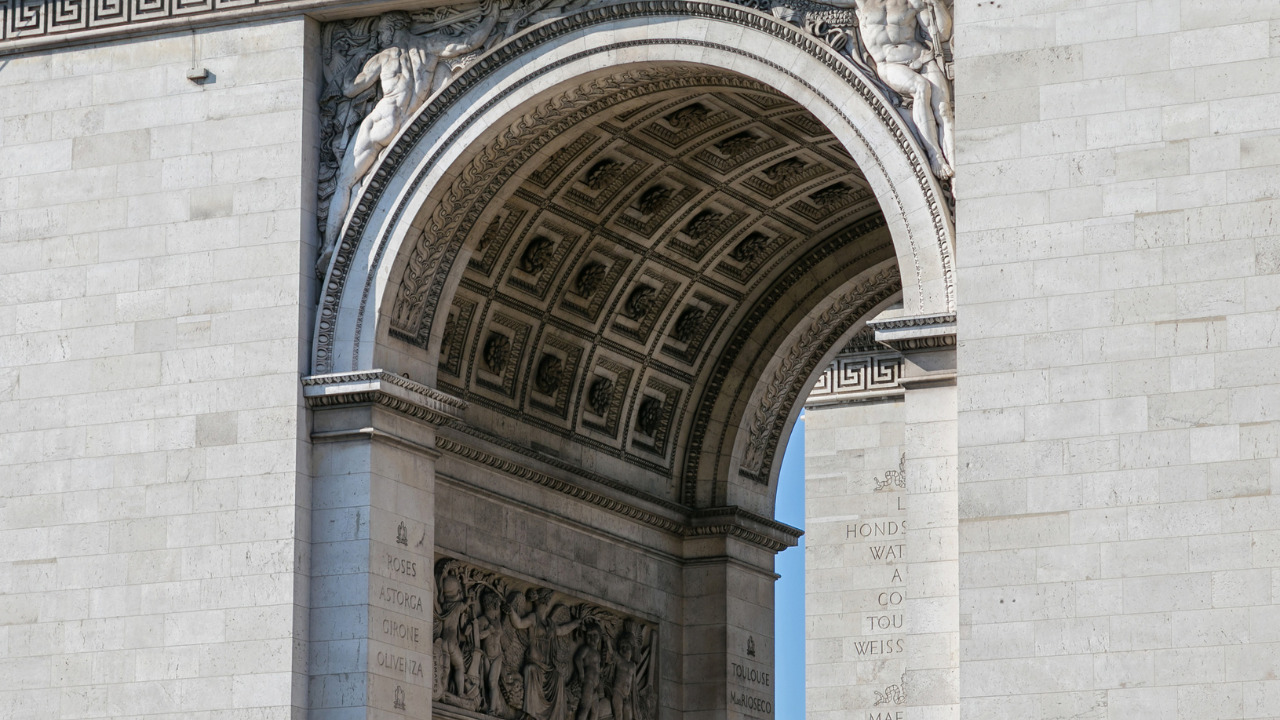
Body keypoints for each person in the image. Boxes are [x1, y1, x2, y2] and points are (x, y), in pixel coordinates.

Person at [320, 2, 500, 270]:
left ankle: (329, 246)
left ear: (391, 30)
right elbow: (468, 42)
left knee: (345, 182)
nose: (380, 38)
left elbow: (349, 89)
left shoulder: (383, 56)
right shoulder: (428, 47)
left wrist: (357, 61)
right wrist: (494, 15)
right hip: (408, 122)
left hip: (380, 122)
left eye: (381, 33)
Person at [827, 0, 954, 179]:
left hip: (923, 58)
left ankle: (957, 173)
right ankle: (935, 156)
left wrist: (937, 4)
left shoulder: (912, 1)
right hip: (889, 65)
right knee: (920, 87)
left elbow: (941, 34)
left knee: (945, 111)